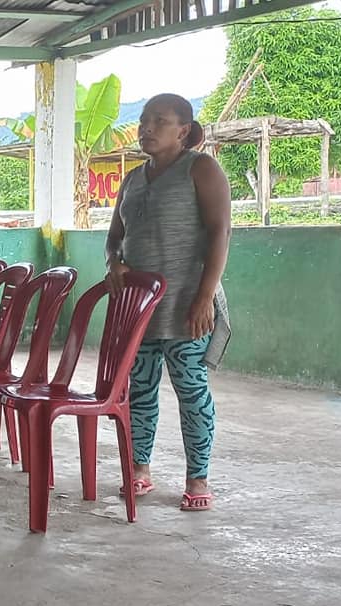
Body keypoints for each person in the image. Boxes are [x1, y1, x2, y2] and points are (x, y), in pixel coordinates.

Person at [106, 93, 231, 512]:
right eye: (144, 119)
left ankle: (198, 477)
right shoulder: (132, 179)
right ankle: (139, 469)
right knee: (139, 390)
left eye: (160, 120)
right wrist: (114, 263)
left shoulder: (201, 169)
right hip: (139, 310)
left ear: (183, 131)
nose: (147, 127)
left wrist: (205, 296)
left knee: (191, 391)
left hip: (186, 306)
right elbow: (114, 238)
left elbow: (220, 232)